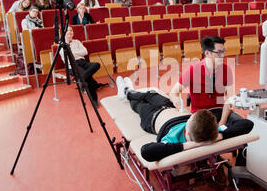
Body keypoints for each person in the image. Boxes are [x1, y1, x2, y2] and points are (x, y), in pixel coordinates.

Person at [115, 77, 254, 162]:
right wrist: (217, 137)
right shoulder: (212, 131)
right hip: (168, 107)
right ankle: (129, 91)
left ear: (187, 134)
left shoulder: (172, 141)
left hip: (151, 117)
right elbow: (247, 124)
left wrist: (190, 145)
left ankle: (127, 92)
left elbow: (147, 151)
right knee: (151, 94)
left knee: (138, 104)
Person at [170, 36, 234, 124]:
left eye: (223, 51)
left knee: (245, 124)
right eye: (219, 53)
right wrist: (177, 101)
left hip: (219, 113)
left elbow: (229, 99)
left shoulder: (226, 69)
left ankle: (218, 133)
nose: (223, 55)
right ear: (207, 53)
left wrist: (222, 123)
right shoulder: (193, 70)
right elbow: (174, 92)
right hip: (200, 116)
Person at [59, 26, 107, 108]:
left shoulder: (77, 42)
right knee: (89, 79)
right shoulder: (62, 45)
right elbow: (68, 57)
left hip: (83, 63)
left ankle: (82, 79)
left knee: (96, 65)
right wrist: (78, 52)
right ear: (63, 33)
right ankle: (94, 100)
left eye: (71, 30)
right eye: (68, 30)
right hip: (72, 66)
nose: (70, 32)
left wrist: (73, 52)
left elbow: (85, 52)